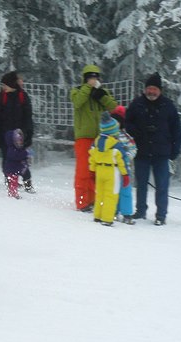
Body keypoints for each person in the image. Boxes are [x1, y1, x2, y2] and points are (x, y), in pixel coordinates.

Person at [125, 72, 181, 226]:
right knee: (141, 184)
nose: (151, 92)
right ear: (145, 89)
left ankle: (161, 215)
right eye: (149, 88)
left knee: (162, 186)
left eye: (154, 89)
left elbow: (177, 129)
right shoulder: (136, 104)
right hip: (141, 151)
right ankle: (140, 211)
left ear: (160, 90)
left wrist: (175, 149)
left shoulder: (168, 106)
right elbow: (127, 123)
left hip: (162, 153)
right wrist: (136, 132)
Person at [70, 64, 118, 212]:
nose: (93, 79)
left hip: (101, 138)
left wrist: (101, 95)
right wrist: (87, 88)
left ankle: (94, 200)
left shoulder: (102, 92)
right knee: (83, 171)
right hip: (83, 137)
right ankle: (82, 202)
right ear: (85, 78)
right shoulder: (77, 91)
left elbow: (113, 107)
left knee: (96, 171)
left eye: (96, 77)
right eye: (90, 77)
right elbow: (77, 102)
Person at [0, 71, 35, 193]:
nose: (3, 88)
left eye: (5, 85)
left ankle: (27, 183)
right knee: (7, 160)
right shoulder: (1, 97)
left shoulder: (23, 96)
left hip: (20, 136)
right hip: (5, 136)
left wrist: (28, 134)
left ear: (11, 85)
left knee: (22, 160)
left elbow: (28, 117)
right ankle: (10, 182)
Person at [89, 112, 130, 226]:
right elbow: (122, 161)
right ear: (113, 130)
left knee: (100, 194)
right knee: (110, 195)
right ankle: (107, 219)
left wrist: (92, 170)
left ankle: (97, 215)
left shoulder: (96, 142)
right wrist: (125, 174)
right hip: (112, 172)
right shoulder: (116, 144)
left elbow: (92, 157)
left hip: (99, 170)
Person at [110, 105, 137, 225]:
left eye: (117, 122)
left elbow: (133, 149)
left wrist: (126, 156)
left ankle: (127, 214)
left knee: (125, 192)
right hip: (112, 170)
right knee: (113, 191)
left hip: (125, 170)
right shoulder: (109, 137)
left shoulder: (126, 137)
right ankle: (114, 211)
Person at [3, 129, 33, 199]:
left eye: (21, 140)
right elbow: (17, 156)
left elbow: (21, 157)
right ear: (13, 141)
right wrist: (26, 153)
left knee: (15, 181)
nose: (20, 142)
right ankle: (13, 193)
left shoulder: (18, 148)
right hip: (11, 169)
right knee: (13, 182)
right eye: (18, 140)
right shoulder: (11, 149)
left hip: (15, 169)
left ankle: (13, 192)